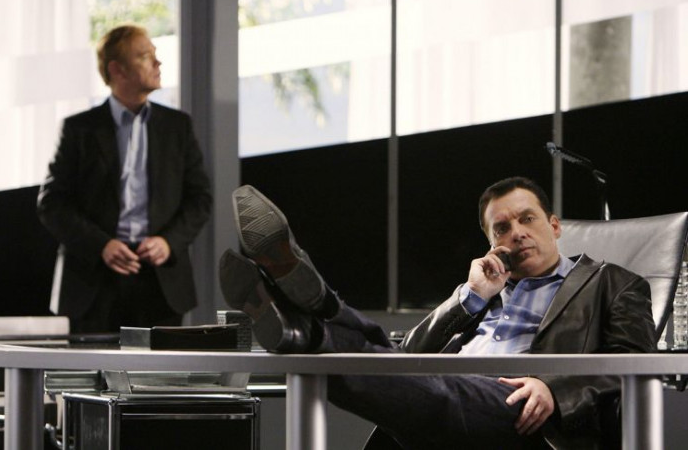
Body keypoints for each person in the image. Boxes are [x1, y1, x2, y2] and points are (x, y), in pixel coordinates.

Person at [219, 177, 656, 449]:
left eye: (528, 219)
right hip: (447, 393)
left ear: (554, 225)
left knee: (346, 368)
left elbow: (635, 360)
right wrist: (471, 296)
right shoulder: (484, 289)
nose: (517, 233)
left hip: (520, 411)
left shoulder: (613, 282)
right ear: (491, 242)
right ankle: (312, 324)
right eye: (502, 228)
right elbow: (408, 357)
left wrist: (555, 390)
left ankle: (315, 319)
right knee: (381, 366)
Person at [38, 24, 212, 334]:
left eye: (155, 55)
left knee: (160, 367)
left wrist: (168, 242)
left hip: (161, 281)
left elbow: (200, 199)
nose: (158, 63)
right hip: (94, 282)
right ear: (117, 70)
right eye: (145, 56)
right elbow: (52, 204)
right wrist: (102, 245)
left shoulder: (177, 126)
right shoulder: (79, 129)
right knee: (95, 366)